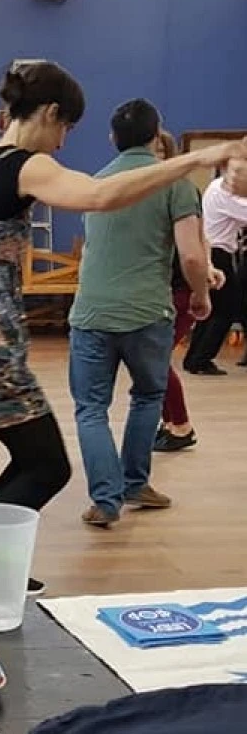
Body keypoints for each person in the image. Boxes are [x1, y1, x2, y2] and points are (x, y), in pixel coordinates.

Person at [0, 61, 246, 595]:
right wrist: (196, 159)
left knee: (34, 459)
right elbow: (103, 196)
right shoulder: (25, 165)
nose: (62, 143)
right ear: (51, 113)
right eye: (66, 129)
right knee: (48, 466)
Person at [68, 101, 212, 526]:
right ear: (156, 136)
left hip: (91, 311)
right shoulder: (177, 185)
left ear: (113, 138)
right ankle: (134, 484)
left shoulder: (97, 183)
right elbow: (190, 256)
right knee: (148, 396)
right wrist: (201, 294)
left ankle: (106, 501)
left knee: (91, 408)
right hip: (148, 312)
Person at [152, 130, 223, 454]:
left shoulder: (181, 190)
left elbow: (199, 237)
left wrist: (206, 269)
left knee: (154, 360)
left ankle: (180, 425)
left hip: (178, 291)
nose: (154, 157)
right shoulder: (140, 191)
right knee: (152, 361)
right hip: (155, 289)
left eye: (159, 151)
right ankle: (171, 423)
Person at [183, 160, 247, 376]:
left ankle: (194, 358)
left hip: (214, 252)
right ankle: (201, 359)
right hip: (218, 254)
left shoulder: (215, 186)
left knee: (214, 310)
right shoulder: (225, 191)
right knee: (227, 308)